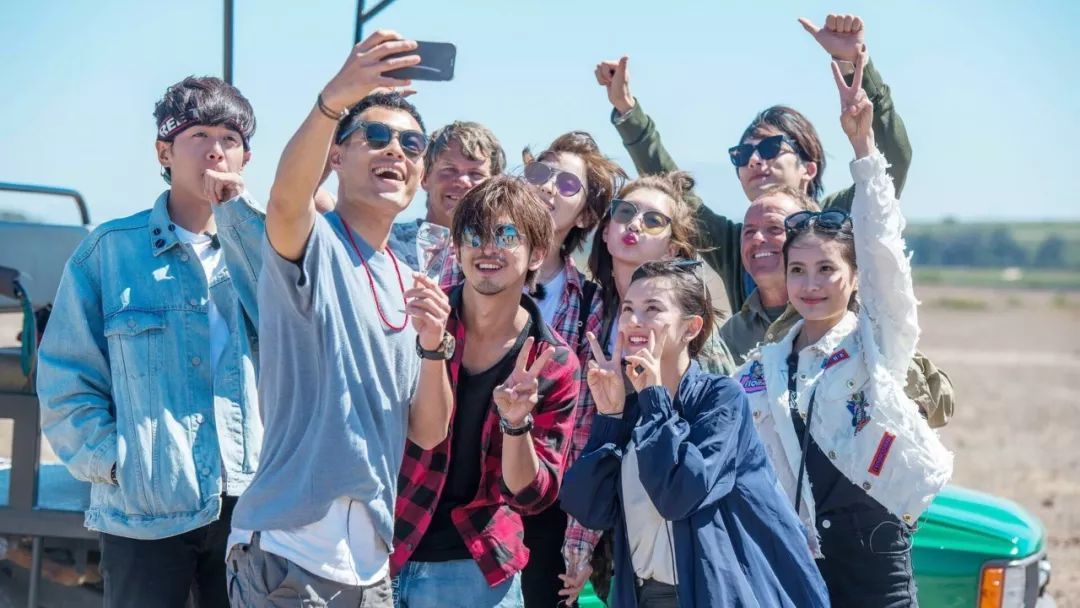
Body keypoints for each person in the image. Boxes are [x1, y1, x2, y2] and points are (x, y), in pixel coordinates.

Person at [222, 32, 456, 607]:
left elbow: (428, 432)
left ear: (420, 174)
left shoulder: (411, 281)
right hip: (288, 555)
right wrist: (335, 99)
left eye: (411, 143)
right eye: (374, 136)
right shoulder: (313, 242)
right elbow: (286, 200)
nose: (394, 150)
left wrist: (434, 347)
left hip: (370, 571)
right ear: (336, 157)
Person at [37, 76, 262, 607]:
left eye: (230, 139)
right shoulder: (109, 251)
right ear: (164, 152)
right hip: (142, 512)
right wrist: (117, 463)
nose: (216, 150)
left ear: (246, 157)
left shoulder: (267, 248)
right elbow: (67, 375)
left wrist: (243, 221)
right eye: (199, 135)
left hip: (249, 507)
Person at [738, 52, 952, 606]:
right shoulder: (763, 367)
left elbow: (882, 248)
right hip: (798, 565)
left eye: (827, 270)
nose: (811, 285)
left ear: (855, 278)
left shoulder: (875, 342)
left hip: (876, 564)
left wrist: (863, 147)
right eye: (798, 270)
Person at [596, 13, 911, 312]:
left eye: (771, 148)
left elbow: (888, 165)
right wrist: (627, 109)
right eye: (743, 155)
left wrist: (851, 63)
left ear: (809, 167)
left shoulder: (841, 219)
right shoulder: (738, 245)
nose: (756, 161)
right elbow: (673, 189)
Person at [560, 259, 830, 608]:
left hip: (714, 593)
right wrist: (609, 417)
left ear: (691, 328)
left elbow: (678, 495)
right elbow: (589, 508)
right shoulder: (632, 408)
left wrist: (654, 399)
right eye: (628, 308)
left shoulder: (721, 399)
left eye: (652, 308)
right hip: (643, 595)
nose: (634, 321)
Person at [390, 176, 580, 608]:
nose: (487, 248)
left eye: (506, 235)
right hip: (385, 542)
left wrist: (516, 424)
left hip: (474, 569)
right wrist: (431, 344)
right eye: (474, 236)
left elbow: (531, 495)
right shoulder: (420, 319)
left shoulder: (552, 362)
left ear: (536, 254)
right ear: (457, 250)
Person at [725, 187, 954, 427]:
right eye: (748, 231)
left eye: (825, 269)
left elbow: (940, 405)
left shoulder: (867, 331)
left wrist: (882, 355)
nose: (758, 239)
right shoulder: (739, 338)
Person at [518, 131, 625, 608]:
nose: (547, 186)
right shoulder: (465, 267)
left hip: (542, 516)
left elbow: (586, 434)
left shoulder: (591, 306)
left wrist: (578, 543)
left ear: (584, 216)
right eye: (539, 172)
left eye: (566, 184)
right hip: (460, 502)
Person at [388, 120, 506, 271]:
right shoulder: (387, 244)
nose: (462, 181)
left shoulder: (503, 257)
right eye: (449, 170)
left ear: (494, 187)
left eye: (476, 174)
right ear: (424, 177)